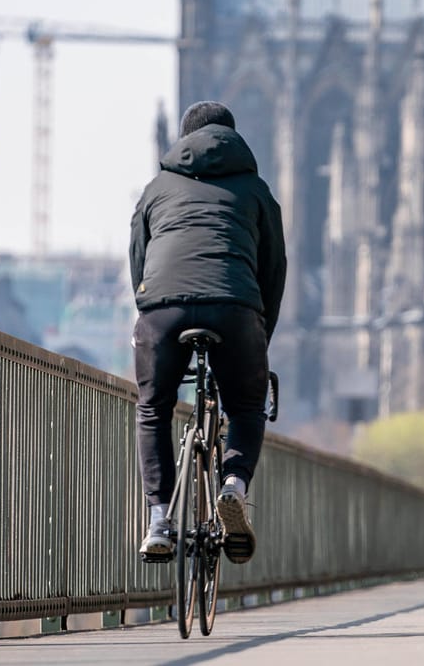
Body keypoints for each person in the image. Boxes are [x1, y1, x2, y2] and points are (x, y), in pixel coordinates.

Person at [131, 101, 287, 565]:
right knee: (244, 406)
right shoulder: (256, 191)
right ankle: (234, 485)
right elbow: (273, 272)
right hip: (237, 309)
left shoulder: (157, 188)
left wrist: (152, 311)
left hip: (163, 309)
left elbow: (138, 259)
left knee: (154, 408)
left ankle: (160, 517)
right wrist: (260, 336)